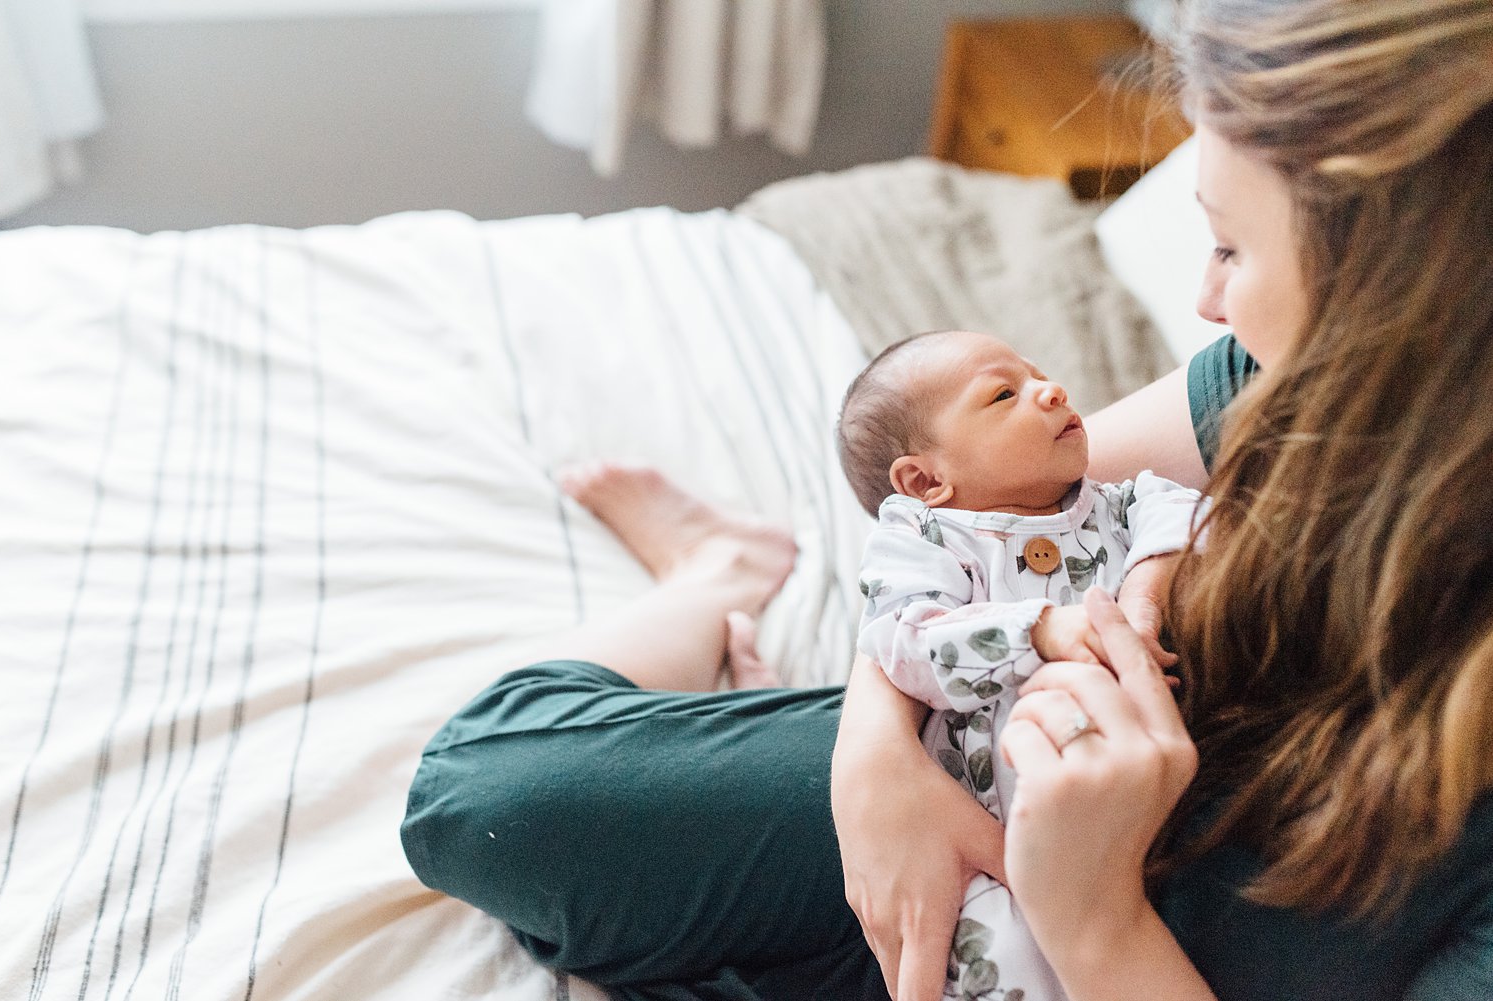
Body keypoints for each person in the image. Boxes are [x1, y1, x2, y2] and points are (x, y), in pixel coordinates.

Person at [400, 1, 1493, 999]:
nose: (1203, 300)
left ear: (1397, 300)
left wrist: (1091, 910)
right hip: (980, 777)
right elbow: (983, 516)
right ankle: (723, 571)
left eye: (1231, 243)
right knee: (489, 801)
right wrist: (876, 749)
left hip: (1099, 920)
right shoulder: (1295, 384)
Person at [836, 329, 1201, 1000]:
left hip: (1135, 823)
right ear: (925, 479)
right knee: (996, 961)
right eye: (1005, 393)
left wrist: (1146, 592)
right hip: (988, 843)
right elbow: (903, 639)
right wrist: (1042, 628)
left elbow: (1185, 508)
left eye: (1040, 373)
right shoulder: (923, 538)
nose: (1051, 389)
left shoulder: (1112, 502)